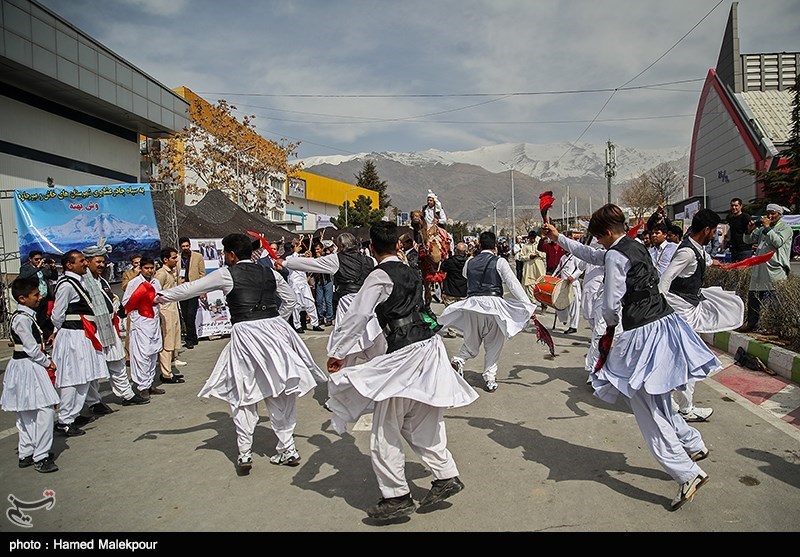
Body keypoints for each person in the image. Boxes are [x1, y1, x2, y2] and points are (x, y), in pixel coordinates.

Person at [542, 205, 720, 511]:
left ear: (608, 233)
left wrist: (610, 329)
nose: (598, 243)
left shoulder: (615, 254)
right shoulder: (635, 245)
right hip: (665, 325)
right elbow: (595, 256)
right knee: (660, 399)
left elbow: (611, 305)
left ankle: (687, 473)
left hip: (642, 334)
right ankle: (692, 443)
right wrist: (560, 238)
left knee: (647, 409)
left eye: (599, 237)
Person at [326, 221, 478, 521]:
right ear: (398, 245)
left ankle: (396, 495)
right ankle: (446, 475)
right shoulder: (410, 270)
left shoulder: (379, 275)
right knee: (423, 420)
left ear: (372, 248)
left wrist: (339, 353)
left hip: (406, 353)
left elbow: (358, 315)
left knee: (385, 426)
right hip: (429, 348)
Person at [156, 233, 326, 475]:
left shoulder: (227, 273)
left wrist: (158, 297)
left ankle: (245, 452)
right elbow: (289, 300)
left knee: (244, 390)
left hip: (246, 333)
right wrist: (276, 320)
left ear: (232, 255)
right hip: (275, 330)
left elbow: (191, 288)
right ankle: (288, 448)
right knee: (279, 389)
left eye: (226, 254)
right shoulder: (271, 273)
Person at [659, 209, 745, 423]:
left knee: (683, 360)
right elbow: (665, 280)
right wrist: (659, 309)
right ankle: (684, 408)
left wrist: (720, 264)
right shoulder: (686, 252)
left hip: (690, 307)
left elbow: (704, 260)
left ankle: (673, 403)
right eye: (714, 231)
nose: (714, 235)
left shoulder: (695, 248)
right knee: (689, 361)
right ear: (707, 229)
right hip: (680, 311)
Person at [439, 230, 536, 393]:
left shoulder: (469, 262)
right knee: (493, 344)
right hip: (493, 306)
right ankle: (490, 378)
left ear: (479, 246)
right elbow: (513, 284)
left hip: (473, 305)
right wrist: (528, 306)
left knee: (471, 342)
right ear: (495, 247)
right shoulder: (500, 261)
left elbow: (465, 276)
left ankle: (459, 360)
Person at [1, 277, 60, 472]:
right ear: (22, 298)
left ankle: (27, 451)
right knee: (44, 410)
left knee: (26, 410)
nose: (39, 297)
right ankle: (40, 455)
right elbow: (31, 348)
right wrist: (48, 362)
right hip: (28, 366)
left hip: (24, 366)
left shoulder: (24, 316)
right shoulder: (22, 319)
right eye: (35, 295)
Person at [81, 242, 149, 408]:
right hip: (92, 330)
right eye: (98, 262)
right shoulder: (82, 282)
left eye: (103, 262)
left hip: (109, 328)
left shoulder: (102, 280)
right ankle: (94, 402)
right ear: (87, 262)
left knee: (117, 361)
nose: (101, 265)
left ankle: (126, 394)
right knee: (94, 368)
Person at [51, 250, 110, 436]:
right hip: (73, 336)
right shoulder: (66, 285)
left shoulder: (77, 282)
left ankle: (72, 415)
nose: (86, 263)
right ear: (69, 265)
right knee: (73, 378)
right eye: (82, 261)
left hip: (81, 335)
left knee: (83, 377)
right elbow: (57, 316)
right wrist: (61, 332)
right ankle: (65, 420)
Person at [740, 204, 794, 333]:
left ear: (779, 215)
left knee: (774, 299)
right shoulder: (762, 229)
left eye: (773, 213)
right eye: (768, 213)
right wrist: (749, 230)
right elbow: (748, 240)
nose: (770, 216)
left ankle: (775, 327)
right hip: (760, 267)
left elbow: (778, 242)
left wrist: (767, 227)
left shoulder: (786, 228)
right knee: (754, 296)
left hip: (775, 269)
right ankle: (752, 323)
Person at [122, 257, 164, 400]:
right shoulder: (134, 283)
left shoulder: (156, 282)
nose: (149, 271)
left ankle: (150, 383)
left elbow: (159, 297)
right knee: (141, 355)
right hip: (140, 321)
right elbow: (126, 302)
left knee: (153, 352)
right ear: (140, 268)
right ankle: (142, 386)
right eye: (146, 268)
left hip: (153, 319)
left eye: (151, 268)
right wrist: (142, 298)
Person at [155, 247, 186, 384]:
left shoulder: (172, 272)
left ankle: (169, 370)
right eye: (173, 258)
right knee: (167, 343)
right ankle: (166, 373)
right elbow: (155, 293)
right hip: (165, 311)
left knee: (173, 341)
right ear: (165, 259)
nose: (176, 260)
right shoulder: (161, 274)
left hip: (173, 309)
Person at [285, 238, 324, 333]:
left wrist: (308, 256)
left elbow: (307, 262)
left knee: (310, 303)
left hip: (303, 284)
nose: (300, 248)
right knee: (297, 306)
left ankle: (315, 324)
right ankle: (297, 325)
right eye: (298, 246)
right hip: (295, 285)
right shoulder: (288, 258)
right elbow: (294, 260)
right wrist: (296, 251)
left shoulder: (301, 257)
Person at [18, 249, 57, 340]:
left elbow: (53, 277)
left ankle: (42, 336)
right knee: (34, 317)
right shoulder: (26, 268)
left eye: (40, 259)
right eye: (36, 259)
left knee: (42, 319)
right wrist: (37, 268)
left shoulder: (43, 268)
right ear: (30, 259)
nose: (39, 261)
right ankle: (33, 336)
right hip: (32, 298)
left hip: (44, 297)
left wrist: (53, 268)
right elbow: (24, 276)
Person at [178, 237, 206, 349]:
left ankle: (190, 338)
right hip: (182, 289)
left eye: (187, 246)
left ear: (190, 246)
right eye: (183, 246)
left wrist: (202, 290)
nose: (185, 248)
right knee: (185, 315)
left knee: (191, 314)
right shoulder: (178, 258)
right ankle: (192, 337)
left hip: (194, 289)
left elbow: (202, 274)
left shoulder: (198, 257)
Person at [439, 241, 469, 338]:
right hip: (464, 291)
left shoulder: (450, 261)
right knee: (464, 313)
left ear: (455, 251)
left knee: (451, 312)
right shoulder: (468, 262)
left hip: (450, 291)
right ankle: (466, 331)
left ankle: (452, 331)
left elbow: (442, 268)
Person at [553, 244, 583, 335]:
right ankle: (564, 319)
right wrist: (552, 278)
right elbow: (558, 269)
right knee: (560, 304)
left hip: (572, 284)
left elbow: (580, 269)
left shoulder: (576, 257)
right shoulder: (563, 257)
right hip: (562, 284)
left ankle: (573, 326)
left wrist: (572, 277)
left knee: (574, 307)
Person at [519, 230, 547, 309]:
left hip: (539, 270)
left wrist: (539, 254)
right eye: (531, 238)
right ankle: (533, 305)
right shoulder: (525, 246)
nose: (532, 240)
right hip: (529, 270)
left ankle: (543, 306)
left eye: (533, 238)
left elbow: (545, 255)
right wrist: (529, 257)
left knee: (541, 287)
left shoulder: (540, 245)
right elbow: (521, 257)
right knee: (529, 287)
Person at [723, 198, 753, 262]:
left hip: (744, 250)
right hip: (734, 250)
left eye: (736, 205)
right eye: (732, 206)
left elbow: (752, 228)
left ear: (741, 206)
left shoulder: (745, 217)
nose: (734, 207)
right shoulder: (731, 219)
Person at [311, 242, 334, 326]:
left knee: (328, 301)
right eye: (315, 249)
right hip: (319, 282)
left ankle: (329, 318)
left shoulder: (326, 257)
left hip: (328, 281)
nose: (316, 251)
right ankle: (320, 318)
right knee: (319, 300)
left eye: (318, 249)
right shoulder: (314, 258)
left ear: (322, 249)